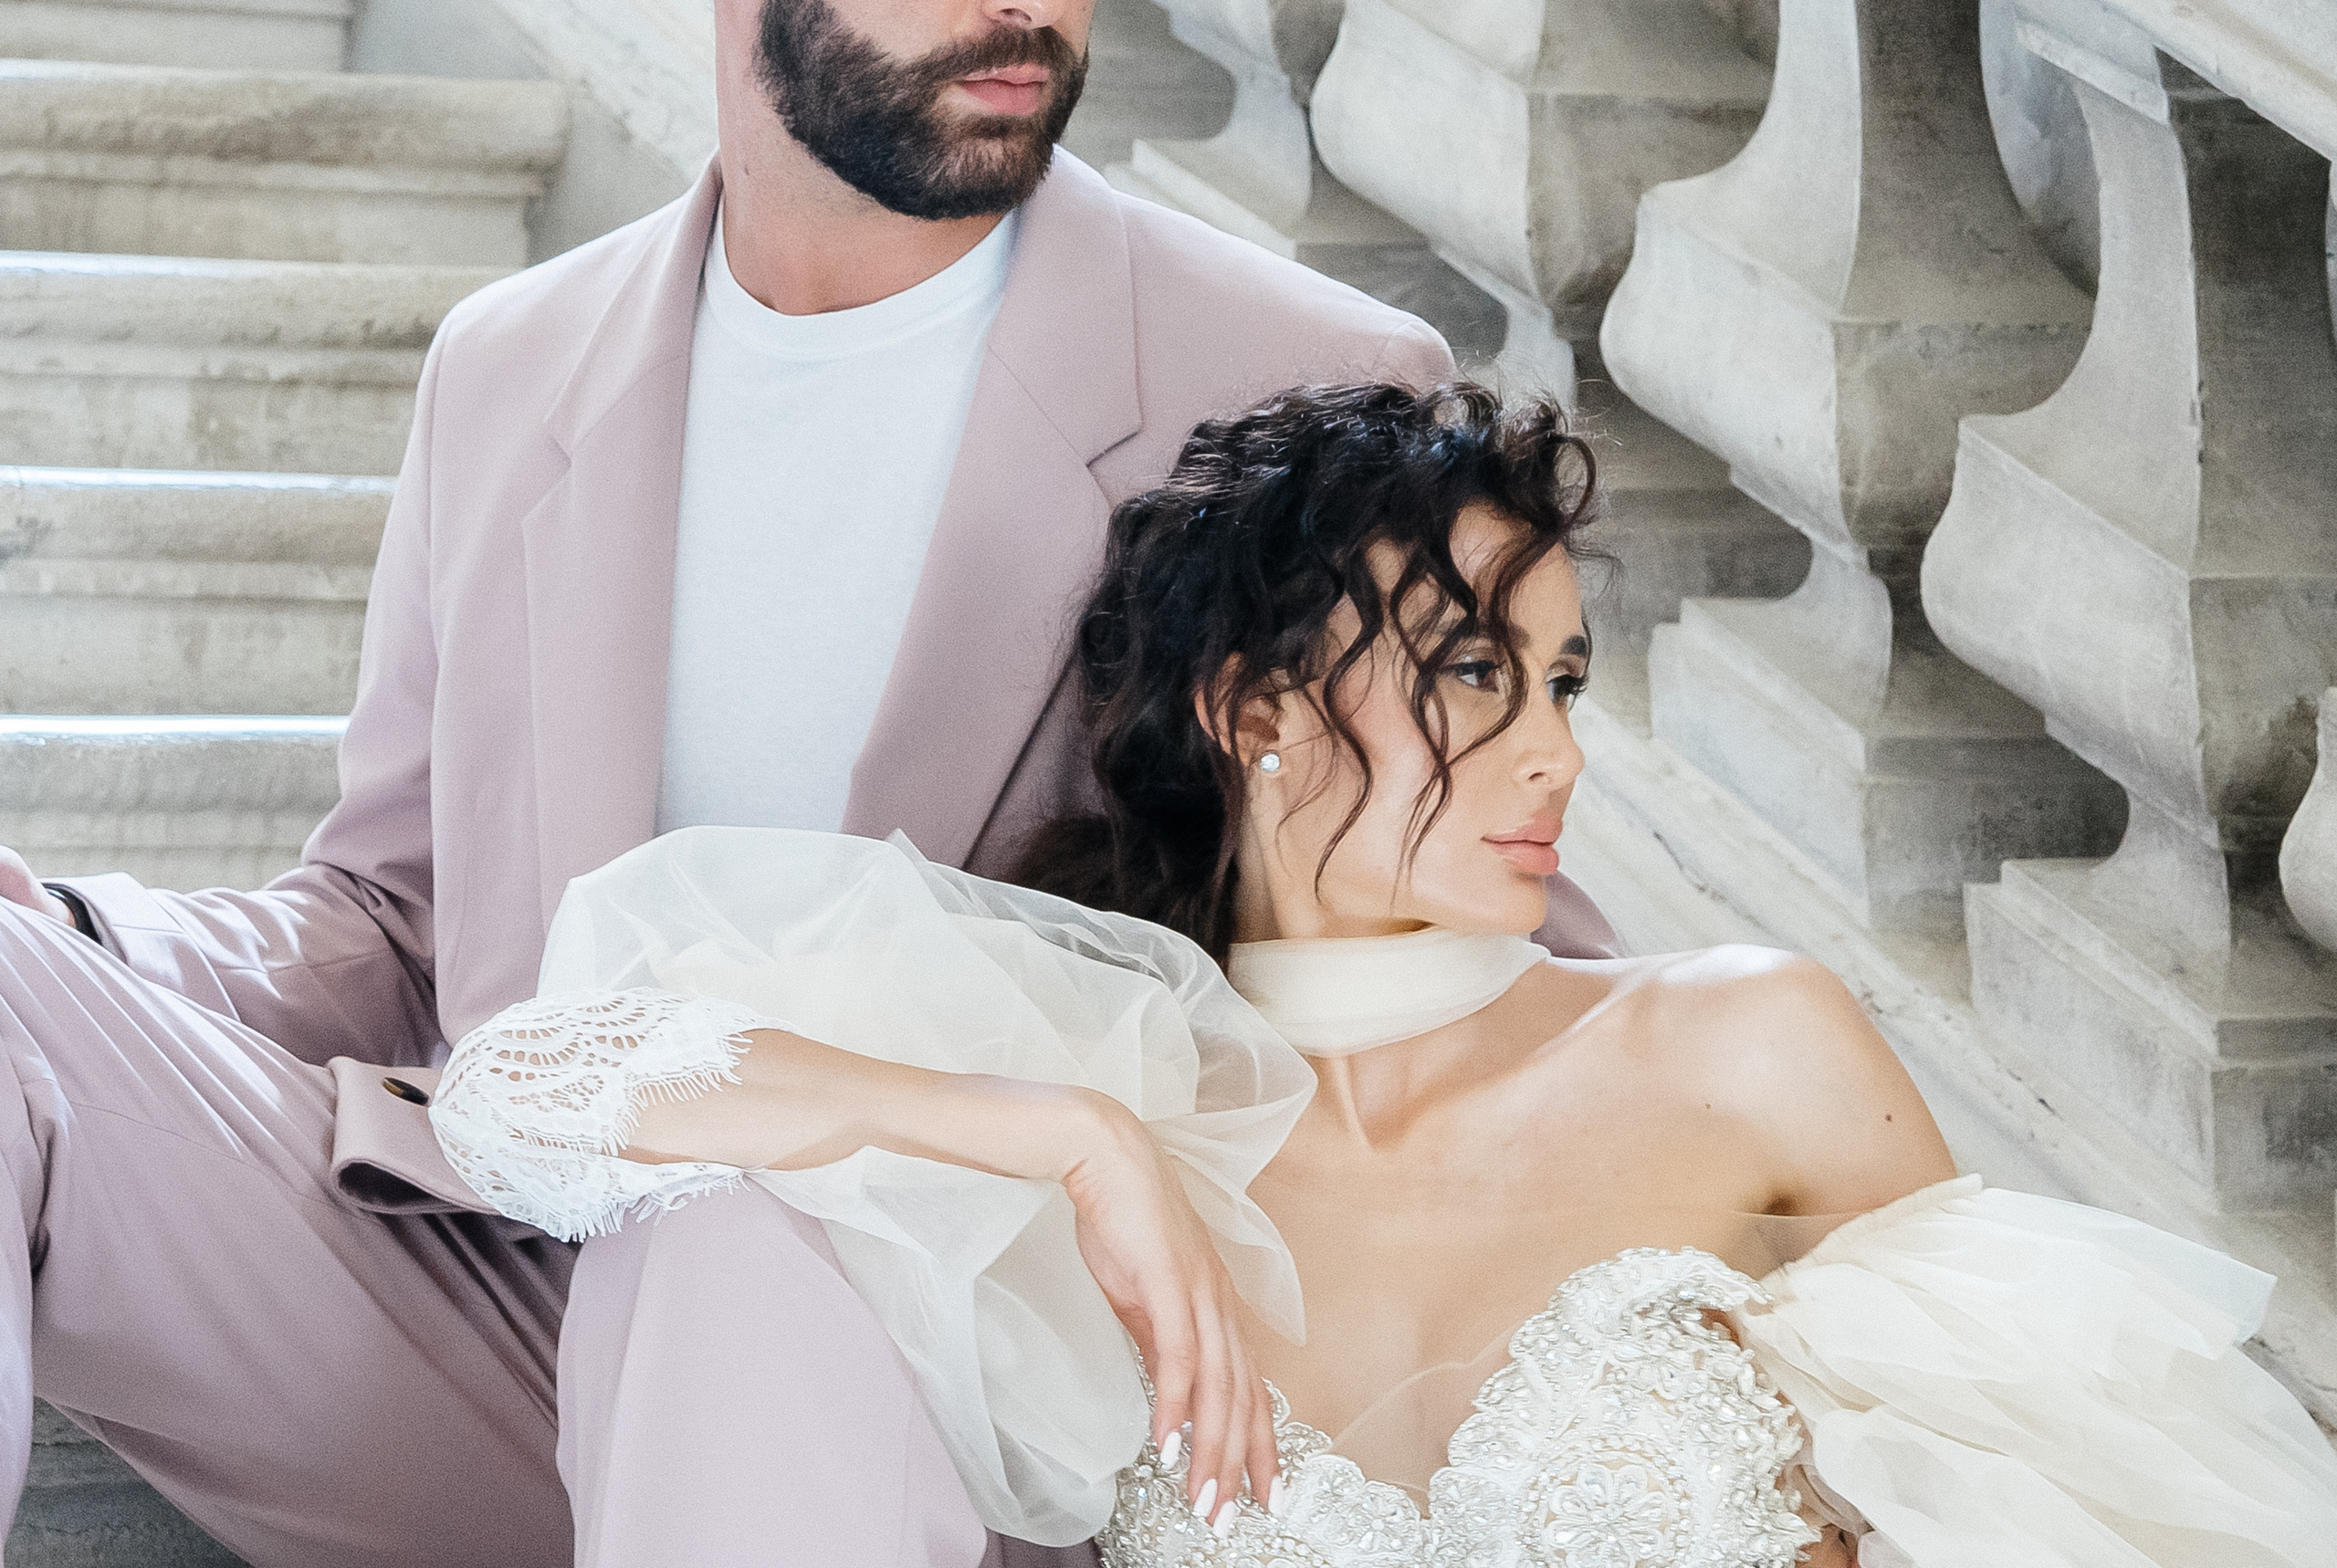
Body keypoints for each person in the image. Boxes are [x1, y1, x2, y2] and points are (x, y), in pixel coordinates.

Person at [0, 0, 1614, 1566]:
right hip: (509, 1299)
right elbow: (397, 920)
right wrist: (102, 934)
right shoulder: (510, 366)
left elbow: (1520, 973)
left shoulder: (1302, 386)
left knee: (743, 1233)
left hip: (999, 1400)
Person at [434, 381, 2337, 1565]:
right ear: (1252, 706)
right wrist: (1076, 1135)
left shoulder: (1738, 1044)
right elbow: (519, 1094)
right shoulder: (1115, 1088)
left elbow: (2087, 1512)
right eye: (1471, 676)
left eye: (1565, 683)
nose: (1551, 754)